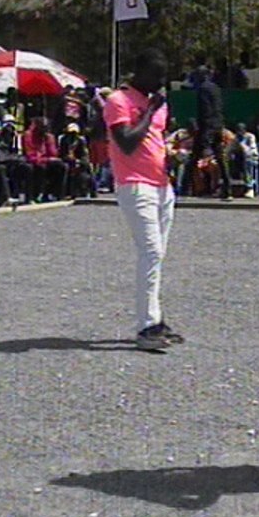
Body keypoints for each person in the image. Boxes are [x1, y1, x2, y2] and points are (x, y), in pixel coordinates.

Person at [105, 48, 184, 351]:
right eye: (156, 75)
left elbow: (154, 141)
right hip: (135, 186)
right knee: (150, 253)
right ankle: (146, 326)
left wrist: (170, 156)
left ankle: (155, 318)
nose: (161, 82)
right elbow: (125, 143)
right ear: (138, 72)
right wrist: (149, 111)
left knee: (157, 255)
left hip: (162, 185)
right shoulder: (118, 101)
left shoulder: (159, 104)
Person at [192, 66, 230, 200]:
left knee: (197, 156)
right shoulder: (216, 88)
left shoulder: (203, 89)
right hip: (218, 124)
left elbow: (205, 109)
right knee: (220, 157)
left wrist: (204, 129)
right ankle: (227, 187)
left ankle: (190, 187)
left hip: (207, 126)